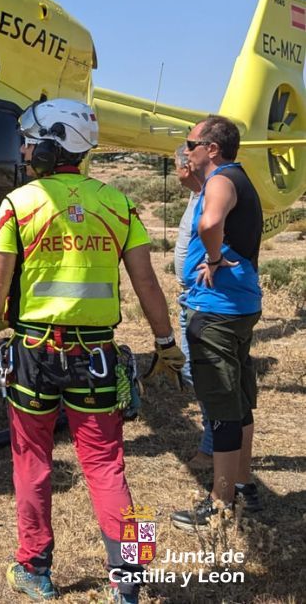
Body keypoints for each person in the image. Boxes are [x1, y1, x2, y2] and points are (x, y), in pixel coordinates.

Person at [0, 99, 182, 604]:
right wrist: (166, 344)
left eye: (30, 140)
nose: (24, 149)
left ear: (52, 144)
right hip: (97, 357)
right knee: (108, 468)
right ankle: (132, 576)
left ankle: (34, 569)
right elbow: (147, 283)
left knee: (32, 462)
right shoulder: (119, 203)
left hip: (34, 356)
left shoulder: (19, 204)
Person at [170, 116, 263, 530]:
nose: (185, 149)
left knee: (222, 408)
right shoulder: (235, 177)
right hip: (239, 305)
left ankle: (220, 503)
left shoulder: (222, 180)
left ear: (212, 149)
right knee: (239, 403)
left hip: (217, 310)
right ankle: (242, 485)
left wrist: (210, 259)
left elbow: (209, 223)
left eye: (191, 142)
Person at [173, 144, 214, 469]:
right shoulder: (197, 195)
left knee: (199, 371)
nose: (175, 170)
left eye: (177, 163)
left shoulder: (209, 196)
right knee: (195, 370)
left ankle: (212, 447)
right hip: (191, 295)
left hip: (202, 298)